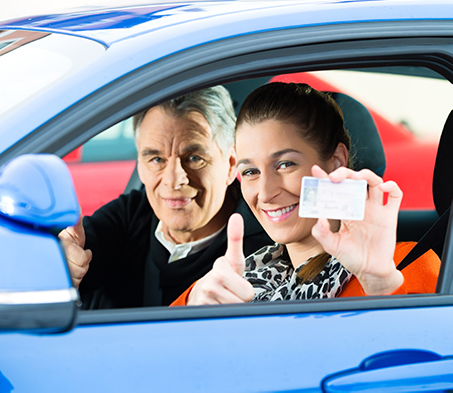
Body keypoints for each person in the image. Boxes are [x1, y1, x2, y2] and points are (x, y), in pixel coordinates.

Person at [171, 82, 440, 306]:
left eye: (285, 164)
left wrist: (380, 284)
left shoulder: (405, 266)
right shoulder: (233, 279)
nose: (265, 193)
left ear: (335, 162)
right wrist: (194, 305)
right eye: (251, 171)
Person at [59, 86, 273, 308]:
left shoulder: (267, 245)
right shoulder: (130, 215)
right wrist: (60, 267)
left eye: (194, 158)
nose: (174, 179)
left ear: (230, 165)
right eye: (156, 160)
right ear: (140, 166)